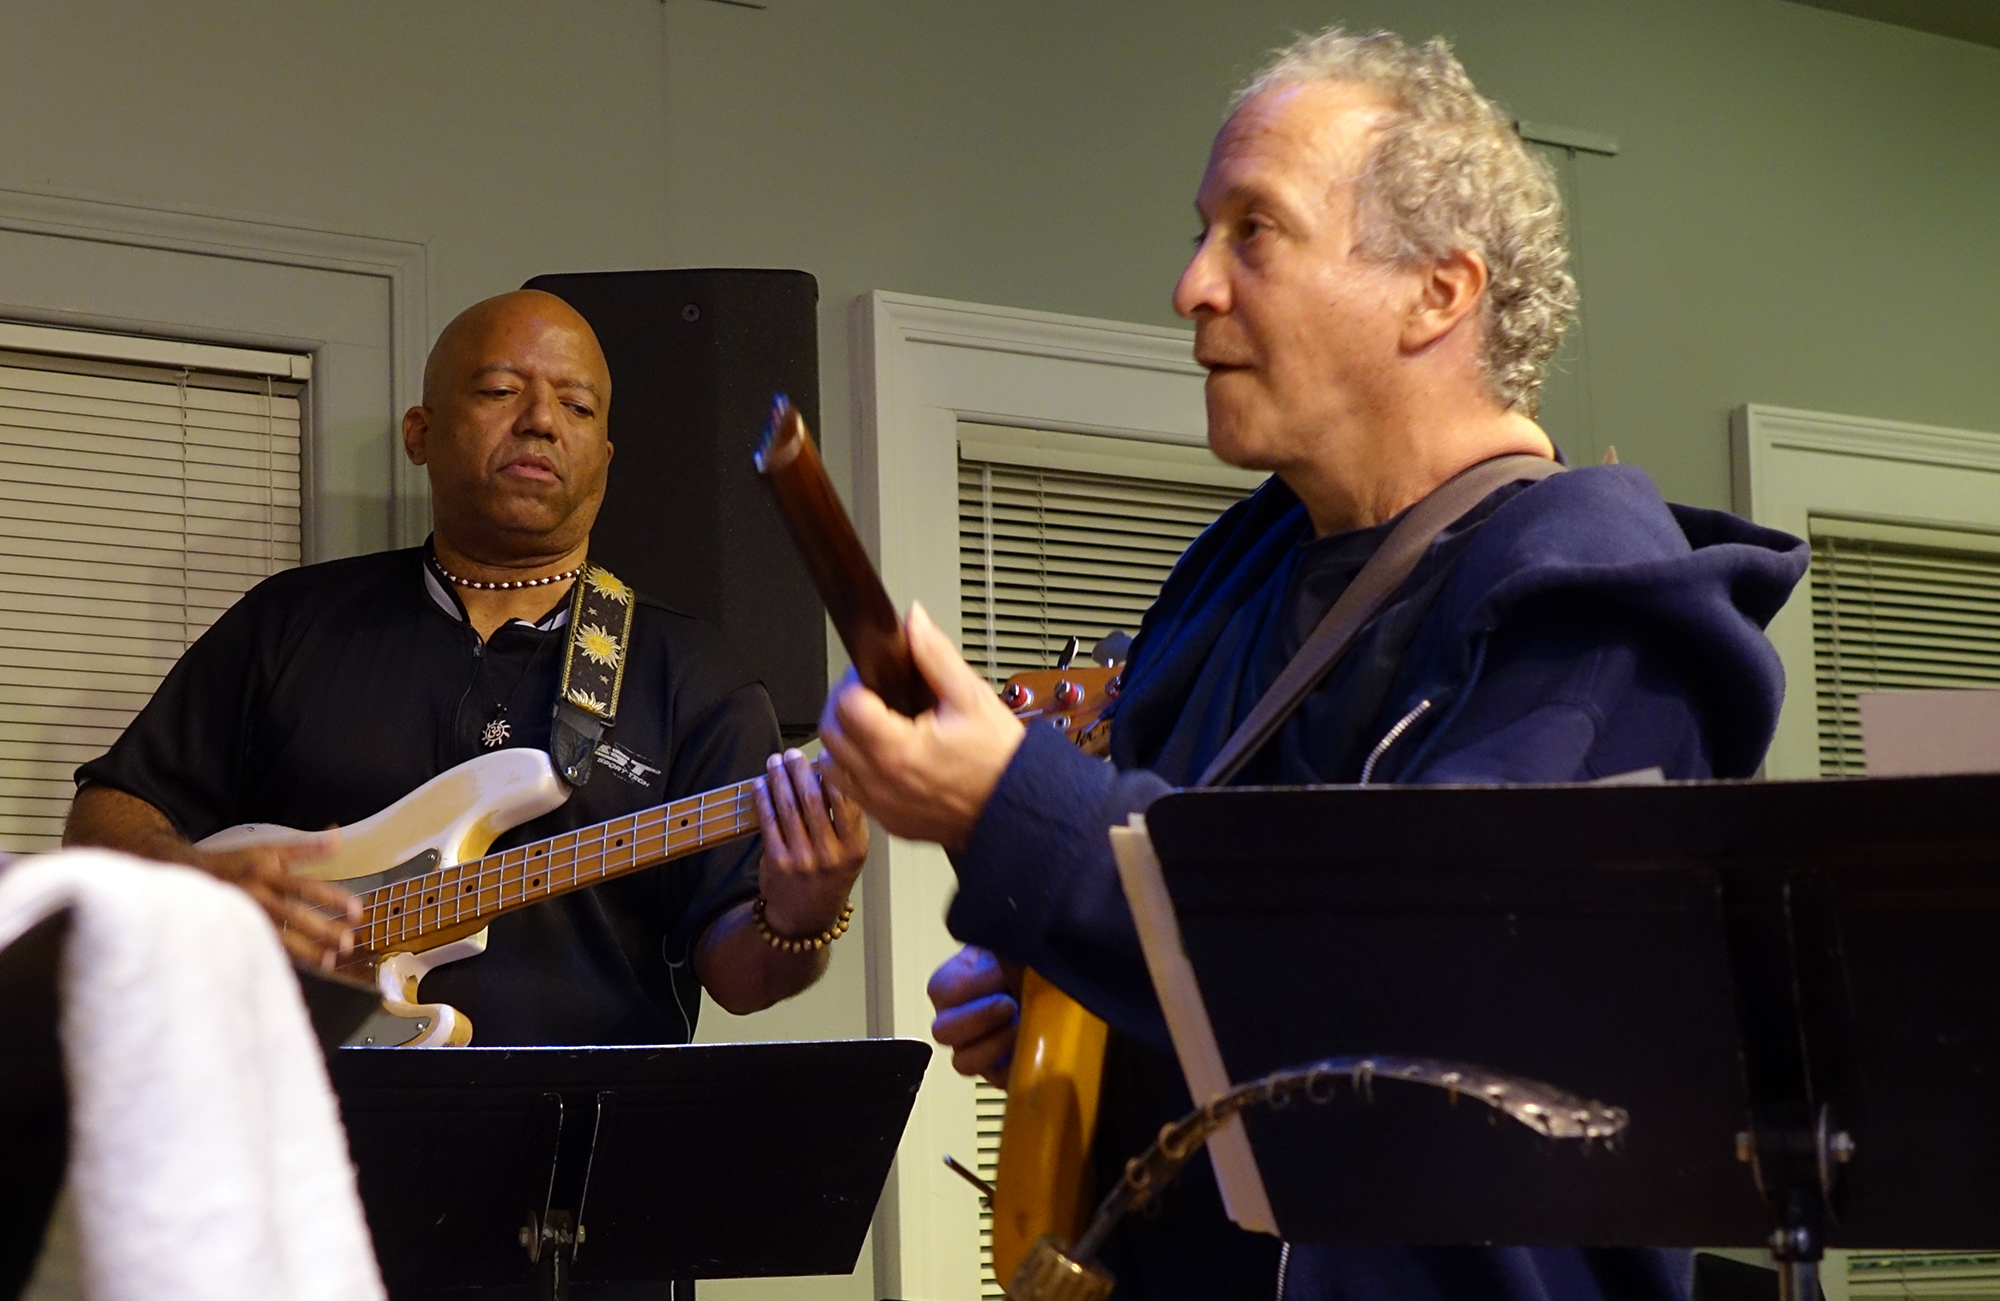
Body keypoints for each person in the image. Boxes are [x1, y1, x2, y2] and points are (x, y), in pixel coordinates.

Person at [820, 28, 1807, 1301]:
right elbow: (1245, 990)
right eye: (1198, 232)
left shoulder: (1602, 609)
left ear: (1436, 293)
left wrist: (1019, 813)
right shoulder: (1232, 573)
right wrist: (1076, 1009)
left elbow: (1418, 995)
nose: (1190, 286)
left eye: (1254, 232)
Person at [64, 289, 866, 1045]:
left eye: (577, 406)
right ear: (421, 430)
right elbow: (109, 820)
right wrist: (198, 887)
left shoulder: (694, 674)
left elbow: (743, 977)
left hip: (583, 1155)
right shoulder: (291, 622)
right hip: (296, 1128)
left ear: (605, 456)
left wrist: (805, 912)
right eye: (498, 391)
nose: (542, 421)